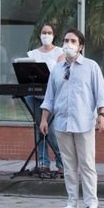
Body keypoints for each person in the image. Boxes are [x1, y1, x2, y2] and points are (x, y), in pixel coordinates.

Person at [40, 28, 104, 208]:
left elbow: (101, 94)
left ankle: (91, 204)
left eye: (73, 41)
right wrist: (44, 119)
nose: (68, 44)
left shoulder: (91, 66)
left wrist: (101, 115)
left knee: (87, 165)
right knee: (69, 166)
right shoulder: (57, 69)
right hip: (62, 124)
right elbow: (49, 98)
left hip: (84, 123)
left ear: (80, 46)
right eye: (66, 40)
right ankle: (72, 203)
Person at [26, 24, 65, 175]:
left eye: (49, 32)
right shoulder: (32, 54)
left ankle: (62, 162)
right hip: (35, 96)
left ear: (54, 35)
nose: (46, 35)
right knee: (39, 129)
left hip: (53, 96)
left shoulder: (61, 52)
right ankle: (43, 162)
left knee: (52, 131)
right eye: (44, 32)